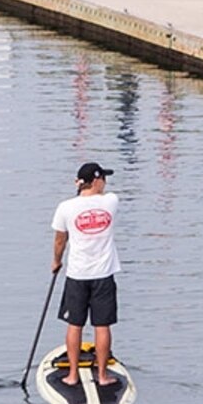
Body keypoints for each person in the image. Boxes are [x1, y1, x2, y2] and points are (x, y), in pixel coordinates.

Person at [50, 161, 121, 386]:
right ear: (98, 180)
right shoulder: (111, 201)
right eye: (104, 179)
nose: (106, 183)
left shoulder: (65, 207)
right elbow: (101, 196)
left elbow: (60, 239)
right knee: (102, 326)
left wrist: (56, 262)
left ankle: (72, 375)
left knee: (75, 325)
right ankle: (102, 376)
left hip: (77, 275)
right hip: (103, 275)